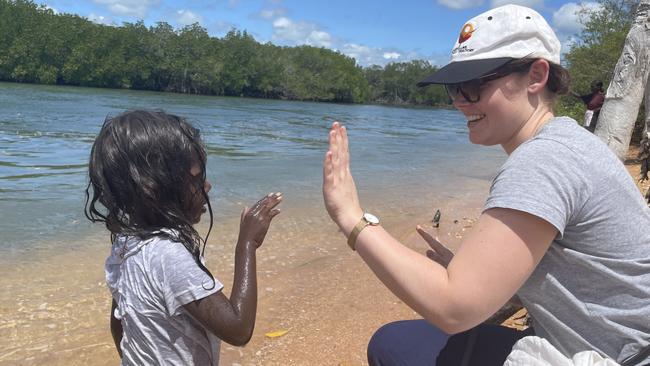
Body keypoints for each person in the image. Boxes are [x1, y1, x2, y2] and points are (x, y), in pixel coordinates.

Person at [322, 4, 650, 366]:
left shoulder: (543, 161)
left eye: (475, 84)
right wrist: (481, 274)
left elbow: (453, 308)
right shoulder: (569, 143)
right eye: (454, 87)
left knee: (392, 345)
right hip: (622, 343)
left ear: (536, 76)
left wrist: (351, 217)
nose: (460, 100)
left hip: (616, 355)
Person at [85, 110, 282, 365]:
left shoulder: (125, 244)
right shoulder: (168, 256)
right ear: (154, 188)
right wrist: (247, 243)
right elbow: (238, 329)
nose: (207, 186)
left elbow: (119, 326)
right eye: (197, 178)